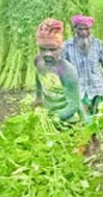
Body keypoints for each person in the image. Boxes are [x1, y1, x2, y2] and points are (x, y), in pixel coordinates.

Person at [61, 14, 103, 155]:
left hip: (98, 88)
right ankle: (85, 146)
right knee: (83, 119)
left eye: (87, 29)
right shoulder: (67, 46)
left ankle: (94, 140)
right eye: (80, 29)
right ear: (75, 30)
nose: (84, 32)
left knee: (96, 119)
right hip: (79, 89)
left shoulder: (98, 44)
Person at [32, 18, 91, 146]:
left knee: (69, 147)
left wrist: (55, 117)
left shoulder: (67, 71)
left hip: (69, 119)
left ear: (61, 48)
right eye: (43, 49)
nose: (47, 54)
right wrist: (38, 97)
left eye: (53, 50)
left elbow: (73, 104)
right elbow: (38, 78)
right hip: (51, 112)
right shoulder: (39, 62)